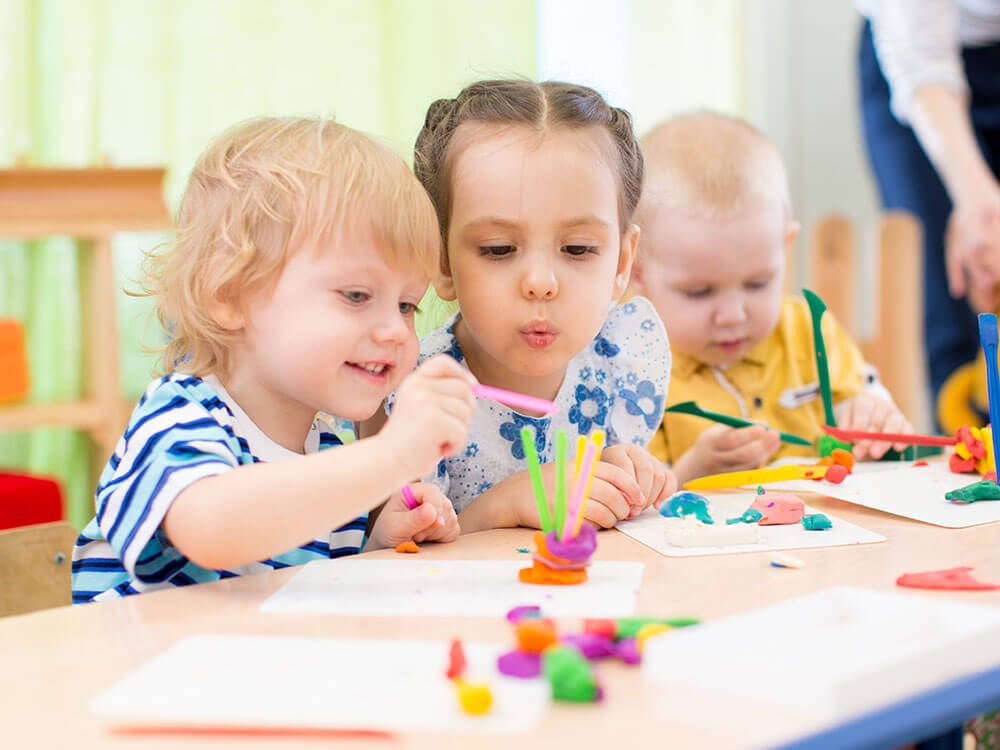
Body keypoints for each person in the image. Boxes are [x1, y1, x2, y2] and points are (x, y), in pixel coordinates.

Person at [72, 117, 477, 603]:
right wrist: (390, 456)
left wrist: (377, 542)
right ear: (229, 294)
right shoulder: (182, 415)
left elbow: (294, 587)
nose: (395, 329)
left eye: (406, 305)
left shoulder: (329, 445)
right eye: (355, 295)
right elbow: (216, 531)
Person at [394, 79, 676, 532]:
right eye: (500, 249)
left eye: (579, 249)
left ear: (623, 262)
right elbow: (395, 555)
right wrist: (510, 503)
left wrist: (631, 477)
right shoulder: (416, 396)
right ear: (441, 261)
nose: (541, 284)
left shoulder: (619, 367)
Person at [631, 112, 914, 486]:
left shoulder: (810, 332)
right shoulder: (632, 366)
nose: (732, 315)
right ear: (637, 274)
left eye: (757, 283)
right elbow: (634, 512)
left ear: (784, 250)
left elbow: (885, 437)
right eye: (700, 292)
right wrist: (693, 470)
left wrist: (877, 421)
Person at [856, 0, 1000, 427]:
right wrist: (978, 203)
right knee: (950, 306)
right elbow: (921, 57)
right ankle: (971, 467)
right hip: (920, 64)